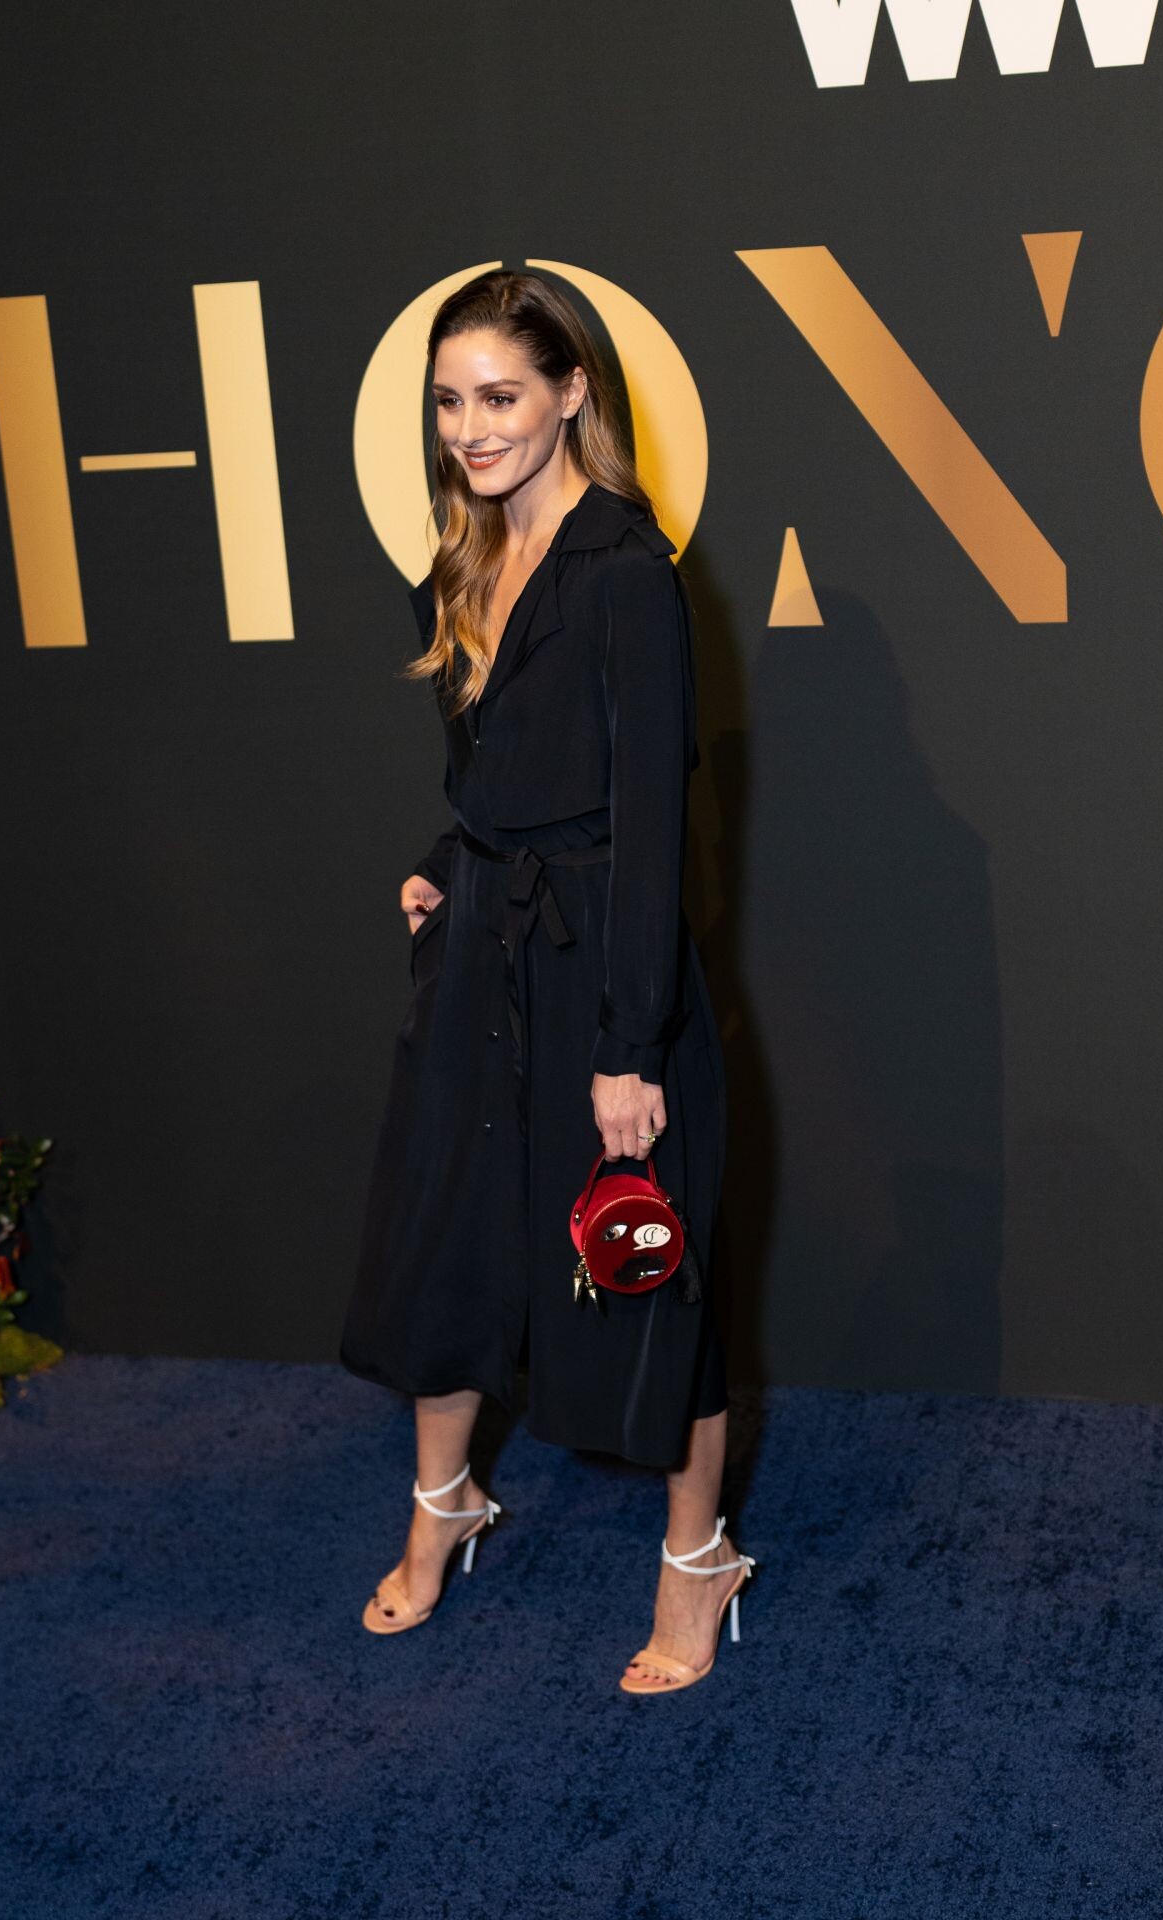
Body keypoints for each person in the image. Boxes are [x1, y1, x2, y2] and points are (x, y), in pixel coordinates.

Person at [339, 268, 753, 1695]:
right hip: (482, 947)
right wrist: (441, 866)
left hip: (601, 973)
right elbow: (492, 772)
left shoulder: (626, 574)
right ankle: (442, 1505)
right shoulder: (466, 555)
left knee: (645, 1268)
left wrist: (631, 1045)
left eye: (501, 396)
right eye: (450, 401)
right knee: (447, 1245)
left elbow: (651, 826)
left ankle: (698, 1563)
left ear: (573, 392)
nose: (472, 427)